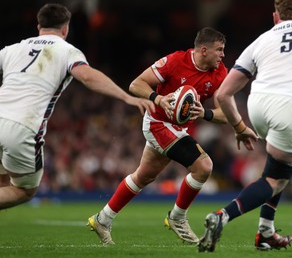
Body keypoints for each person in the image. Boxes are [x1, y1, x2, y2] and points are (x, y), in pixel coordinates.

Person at [197, 0, 292, 252]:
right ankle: (222, 216)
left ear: (275, 17)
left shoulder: (262, 39)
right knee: (276, 179)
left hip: (258, 105)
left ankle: (265, 232)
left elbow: (223, 94)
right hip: (291, 107)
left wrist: (239, 127)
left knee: (277, 169)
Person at [0, 3, 155, 210]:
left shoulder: (11, 49)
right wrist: (126, 98)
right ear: (65, 29)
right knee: (24, 190)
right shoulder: (67, 51)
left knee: (3, 183)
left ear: (39, 27)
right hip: (22, 127)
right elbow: (88, 77)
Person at [87, 27, 228, 245]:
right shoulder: (174, 61)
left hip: (178, 129)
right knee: (204, 167)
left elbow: (225, 114)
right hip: (158, 123)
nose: (223, 55)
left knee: (144, 176)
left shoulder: (220, 73)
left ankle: (102, 219)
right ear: (203, 50)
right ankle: (177, 217)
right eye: (219, 50)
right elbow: (136, 84)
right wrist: (158, 98)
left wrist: (206, 113)